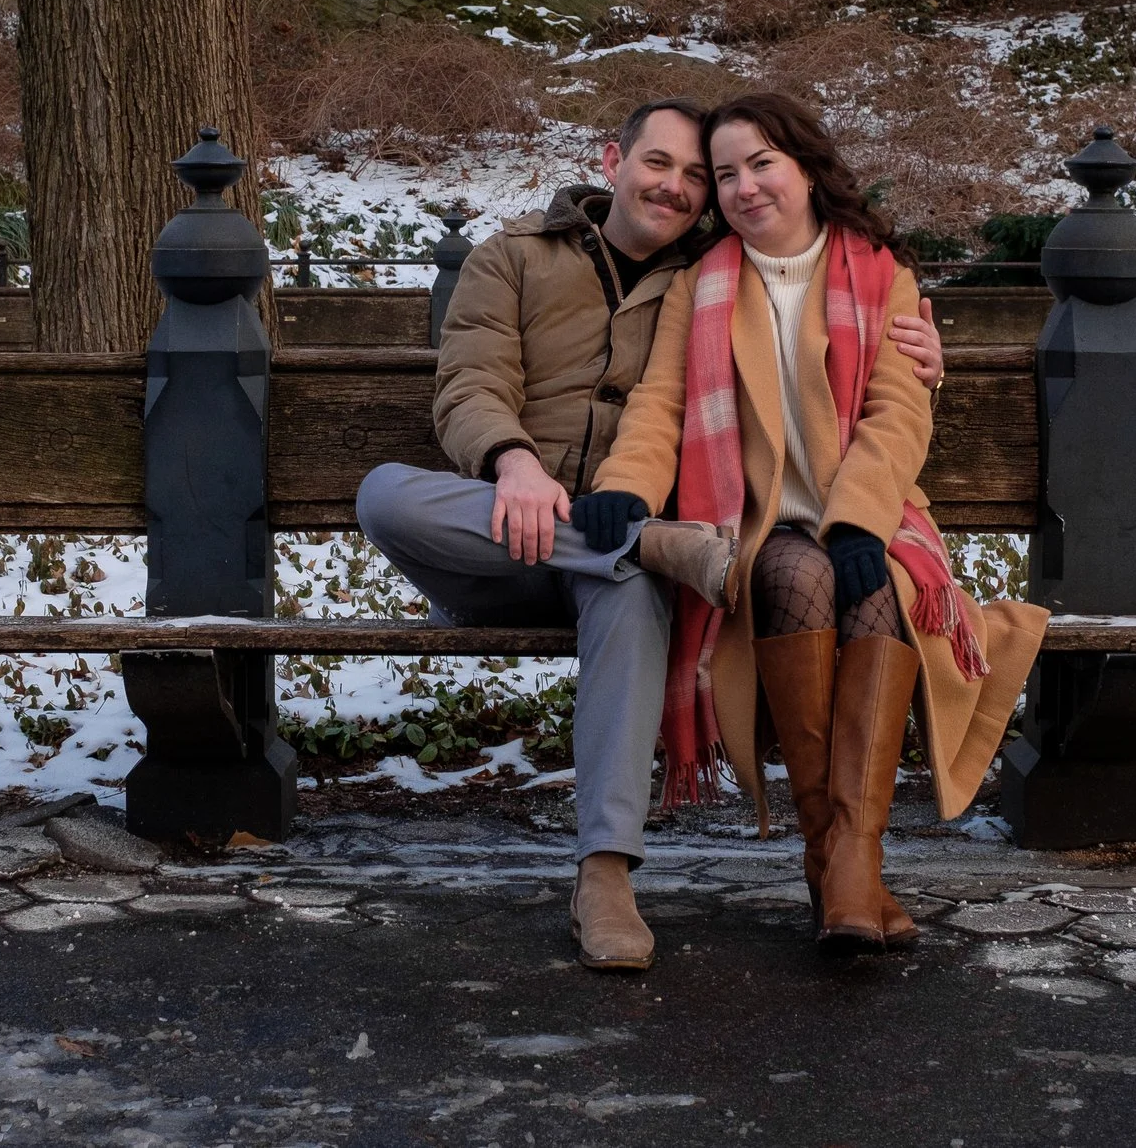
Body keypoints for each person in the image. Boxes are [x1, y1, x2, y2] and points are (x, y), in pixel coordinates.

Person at [354, 98, 950, 972]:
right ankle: (639, 545)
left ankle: (605, 881)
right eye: (660, 163)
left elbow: (701, 395)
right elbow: (470, 382)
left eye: (698, 174)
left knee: (632, 588)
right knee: (384, 495)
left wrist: (936, 354)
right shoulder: (515, 258)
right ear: (613, 159)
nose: (681, 186)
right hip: (515, 536)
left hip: (623, 559)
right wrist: (514, 462)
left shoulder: (703, 277)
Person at [578, 92, 1045, 956]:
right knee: (796, 573)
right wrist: (629, 490)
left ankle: (843, 853)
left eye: (762, 163)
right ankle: (841, 859)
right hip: (758, 528)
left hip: (872, 519)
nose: (745, 187)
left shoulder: (880, 273)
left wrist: (860, 523)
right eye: (726, 175)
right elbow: (661, 405)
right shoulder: (703, 284)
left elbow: (899, 413)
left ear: (803, 166)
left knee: (865, 590)